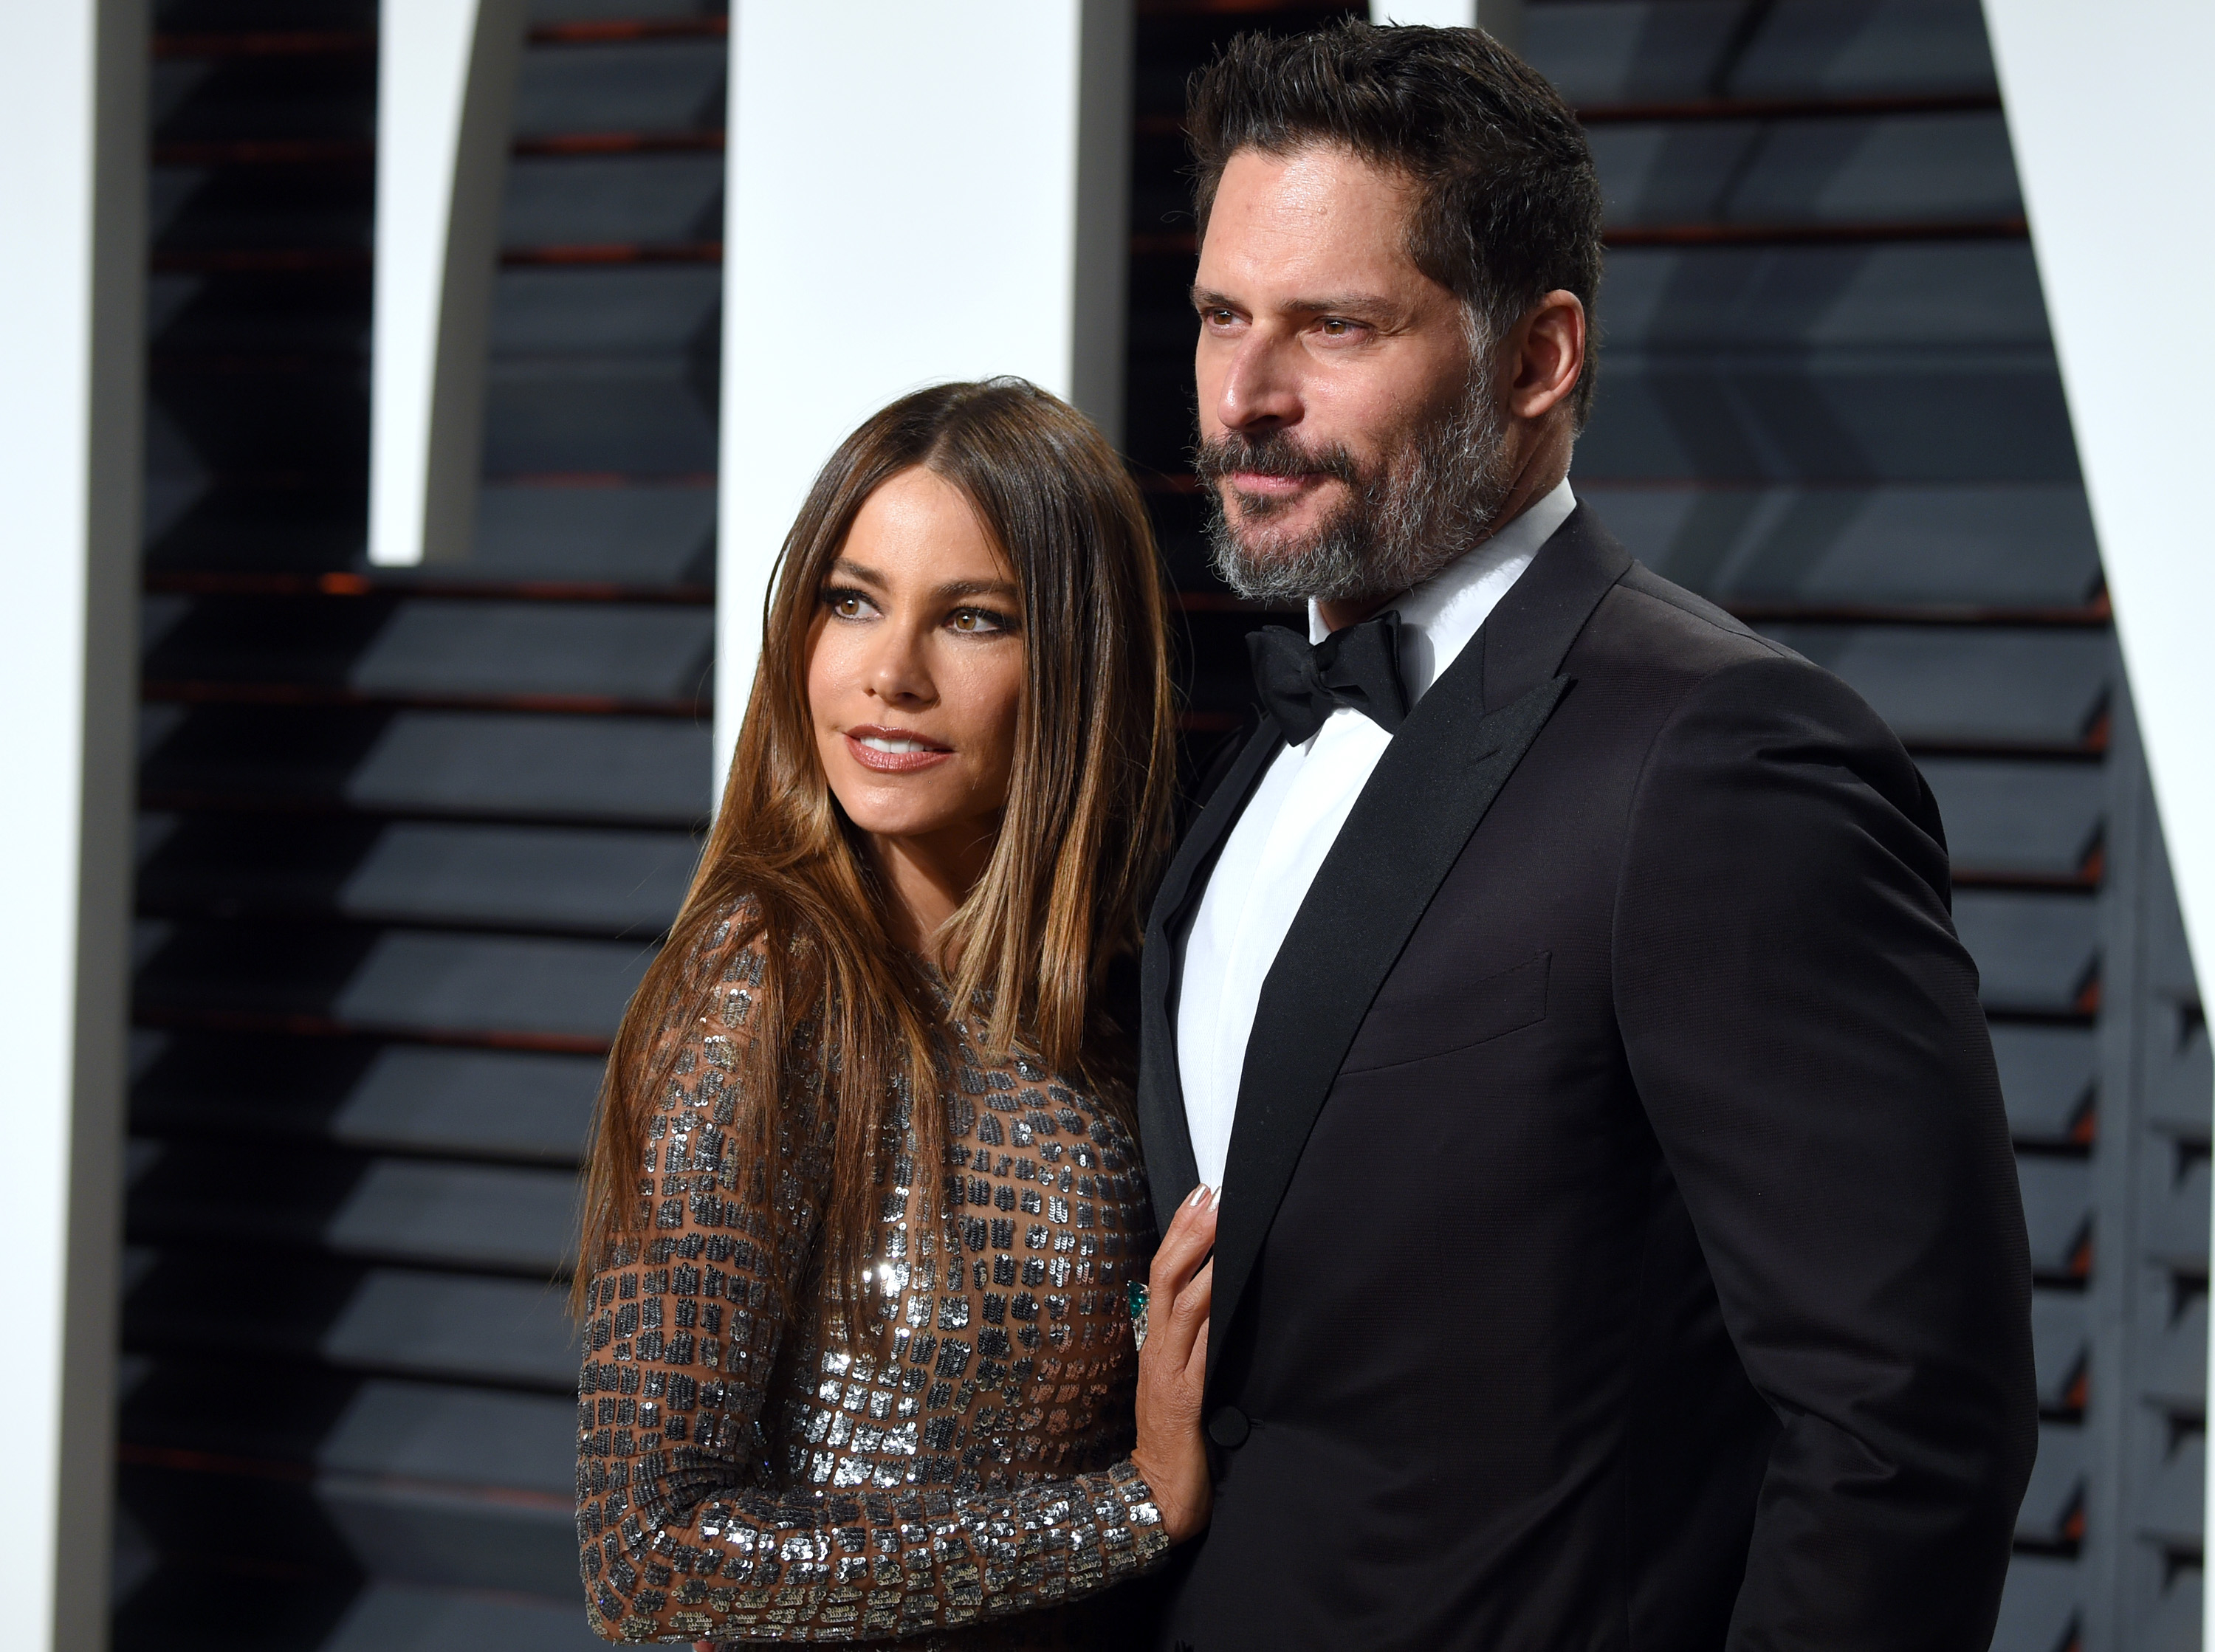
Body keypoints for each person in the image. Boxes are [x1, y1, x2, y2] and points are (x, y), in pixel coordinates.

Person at [1134, 22, 2037, 1649]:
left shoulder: (1730, 759)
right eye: (1220, 316)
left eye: (1333, 326)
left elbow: (1907, 1434)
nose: (1244, 399)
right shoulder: (1267, 731)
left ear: (1537, 360)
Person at [571, 379, 1217, 1648]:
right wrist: (1127, 1511)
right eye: (852, 601)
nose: (889, 674)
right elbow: (645, 1558)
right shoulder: (768, 985)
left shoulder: (1118, 1010)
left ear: (1074, 669)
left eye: (971, 619)